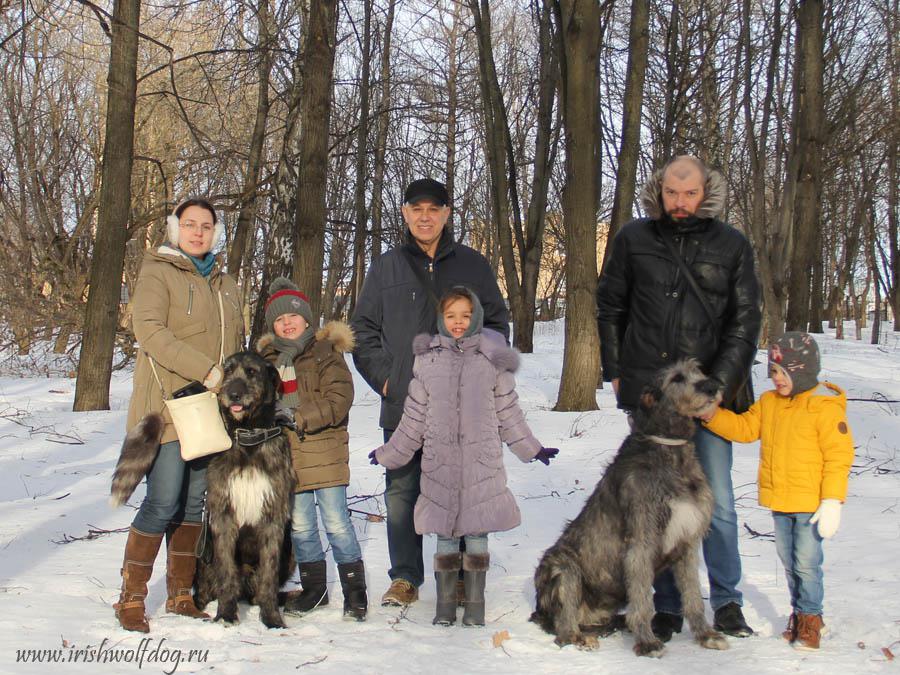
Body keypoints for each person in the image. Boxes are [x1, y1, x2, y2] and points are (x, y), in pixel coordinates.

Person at [596, 155, 761, 639]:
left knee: (718, 504)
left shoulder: (731, 244)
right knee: (654, 506)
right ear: (659, 191)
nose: (681, 203)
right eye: (673, 193)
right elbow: (610, 306)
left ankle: (727, 601)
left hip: (705, 397)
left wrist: (721, 388)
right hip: (652, 398)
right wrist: (616, 371)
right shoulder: (633, 238)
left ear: (705, 190)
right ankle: (666, 605)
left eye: (689, 194)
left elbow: (745, 321)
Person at [351, 178, 510, 607]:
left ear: (446, 214)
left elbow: (496, 324)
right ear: (404, 213)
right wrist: (387, 380)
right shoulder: (386, 268)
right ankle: (405, 577)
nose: (424, 216)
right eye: (416, 209)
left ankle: (458, 574)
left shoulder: (473, 265)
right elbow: (362, 331)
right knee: (401, 492)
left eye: (433, 209)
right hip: (404, 401)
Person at [369, 287, 558, 626]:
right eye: (451, 316)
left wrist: (532, 448)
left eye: (465, 316)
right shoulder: (427, 362)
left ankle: (474, 605)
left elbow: (508, 412)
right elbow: (413, 418)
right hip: (439, 466)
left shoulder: (491, 362)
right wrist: (388, 453)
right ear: (442, 319)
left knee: (476, 537)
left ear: (476, 319)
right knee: (445, 536)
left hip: (480, 467)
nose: (458, 323)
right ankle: (444, 606)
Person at [116, 198, 244, 632]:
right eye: (189, 224)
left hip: (210, 412)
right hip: (168, 406)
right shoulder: (157, 270)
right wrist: (206, 370)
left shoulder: (227, 284)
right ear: (175, 229)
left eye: (206, 226)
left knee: (193, 502)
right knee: (164, 497)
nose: (197, 232)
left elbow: (234, 346)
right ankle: (131, 598)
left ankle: (180, 594)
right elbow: (149, 330)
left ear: (215, 233)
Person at [701, 332, 853, 650]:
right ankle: (800, 614)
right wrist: (713, 416)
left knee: (807, 562)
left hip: (812, 503)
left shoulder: (823, 406)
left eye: (784, 373)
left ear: (803, 371)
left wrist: (832, 501)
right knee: (789, 561)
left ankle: (810, 617)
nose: (777, 380)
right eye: (773, 372)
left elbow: (839, 457)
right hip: (782, 502)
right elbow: (745, 429)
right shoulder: (770, 403)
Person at [256, 277, 368, 621]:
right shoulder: (267, 360)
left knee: (336, 523)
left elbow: (339, 399)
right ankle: (314, 590)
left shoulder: (325, 353)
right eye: (278, 319)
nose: (286, 323)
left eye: (292, 316)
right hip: (287, 458)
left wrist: (297, 416)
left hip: (325, 453)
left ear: (306, 318)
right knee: (301, 527)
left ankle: (355, 593)